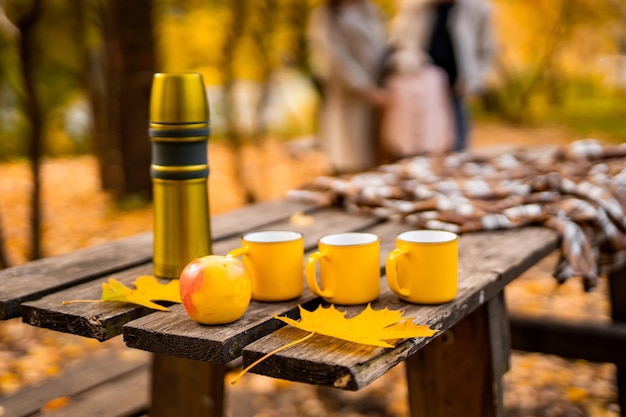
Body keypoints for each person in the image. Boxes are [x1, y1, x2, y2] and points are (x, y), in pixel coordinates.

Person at [389, 0, 497, 151]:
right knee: (420, 143)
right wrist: (410, 61)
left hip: (458, 85)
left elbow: (486, 49)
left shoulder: (478, 7)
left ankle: (454, 168)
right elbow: (397, 44)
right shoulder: (414, 6)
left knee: (455, 142)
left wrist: (477, 78)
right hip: (420, 87)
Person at [307, 0, 389, 175]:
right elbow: (335, 59)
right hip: (349, 98)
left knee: (377, 161)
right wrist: (366, 88)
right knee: (352, 158)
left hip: (379, 92)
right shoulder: (326, 16)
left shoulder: (370, 9)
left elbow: (383, 45)